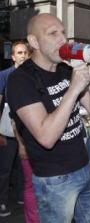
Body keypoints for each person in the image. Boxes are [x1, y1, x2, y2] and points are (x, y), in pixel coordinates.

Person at [6, 13, 90, 223]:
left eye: (63, 32)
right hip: (55, 180)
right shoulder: (20, 80)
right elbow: (46, 136)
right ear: (34, 42)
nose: (62, 39)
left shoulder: (64, 69)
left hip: (85, 168)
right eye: (53, 33)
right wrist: (73, 90)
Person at [0, 41, 28, 218]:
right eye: (19, 53)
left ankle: (20, 195)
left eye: (25, 52)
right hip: (7, 130)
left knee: (21, 166)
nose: (23, 56)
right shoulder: (4, 75)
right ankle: (2, 201)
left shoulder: (32, 75)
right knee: (5, 168)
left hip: (27, 130)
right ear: (13, 56)